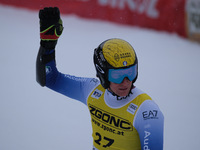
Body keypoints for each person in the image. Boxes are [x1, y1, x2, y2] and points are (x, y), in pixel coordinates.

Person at [36, 7, 164, 150]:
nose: (126, 81)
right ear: (102, 74)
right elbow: (50, 79)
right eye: (118, 75)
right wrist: (48, 44)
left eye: (131, 73)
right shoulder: (91, 90)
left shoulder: (147, 112)